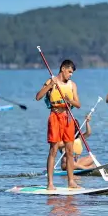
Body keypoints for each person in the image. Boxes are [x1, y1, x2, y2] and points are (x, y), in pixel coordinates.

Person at [35, 59, 81, 190]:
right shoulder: (51, 81)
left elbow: (78, 105)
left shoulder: (73, 85)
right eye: (70, 72)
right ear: (63, 69)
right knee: (54, 150)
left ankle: (71, 181)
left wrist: (69, 100)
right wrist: (50, 85)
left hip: (68, 117)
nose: (70, 75)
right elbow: (38, 97)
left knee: (70, 151)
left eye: (72, 73)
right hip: (55, 116)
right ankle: (50, 183)